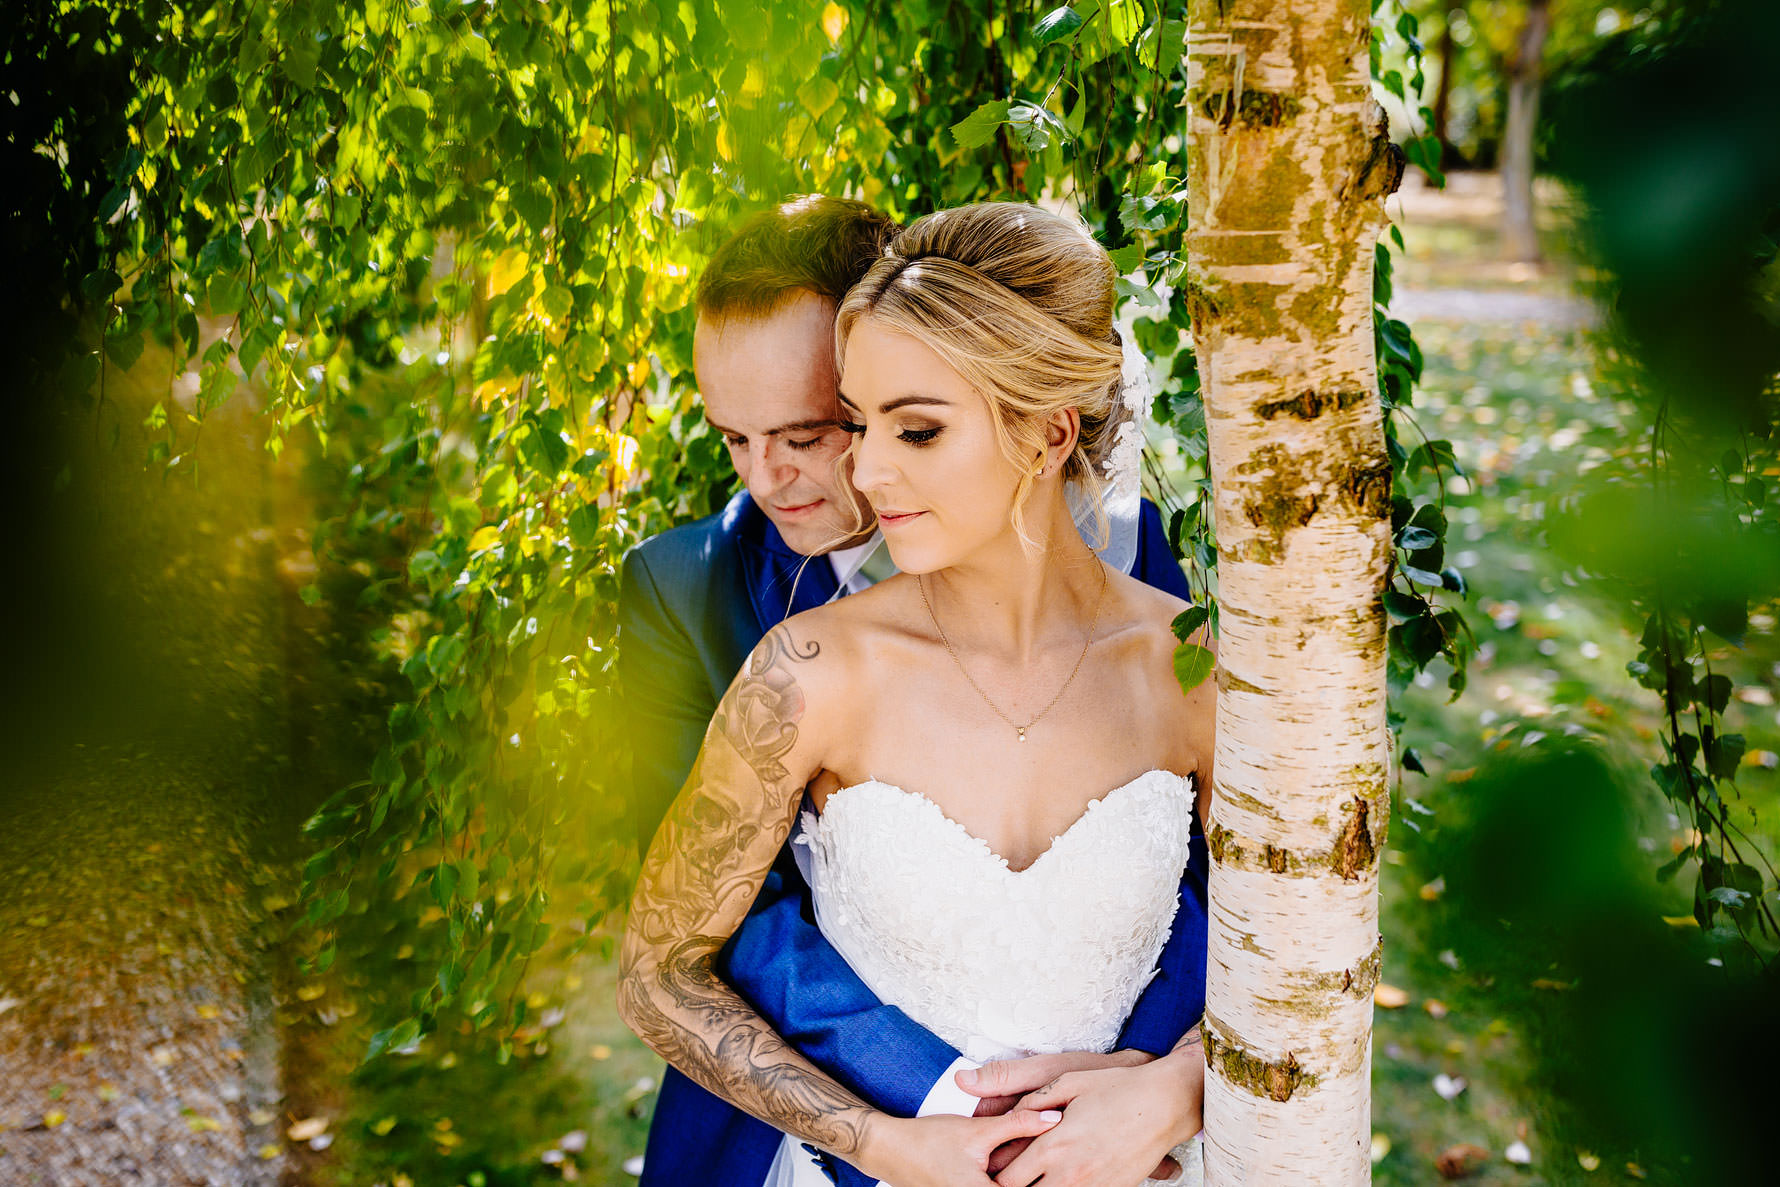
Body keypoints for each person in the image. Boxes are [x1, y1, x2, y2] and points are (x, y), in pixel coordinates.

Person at [618, 201, 1215, 1187]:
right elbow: (695, 945)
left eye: (823, 429)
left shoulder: (1178, 645)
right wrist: (907, 1134)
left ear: (1047, 432)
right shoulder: (780, 650)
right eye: (734, 438)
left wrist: (1165, 1087)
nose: (857, 467)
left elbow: (1264, 907)